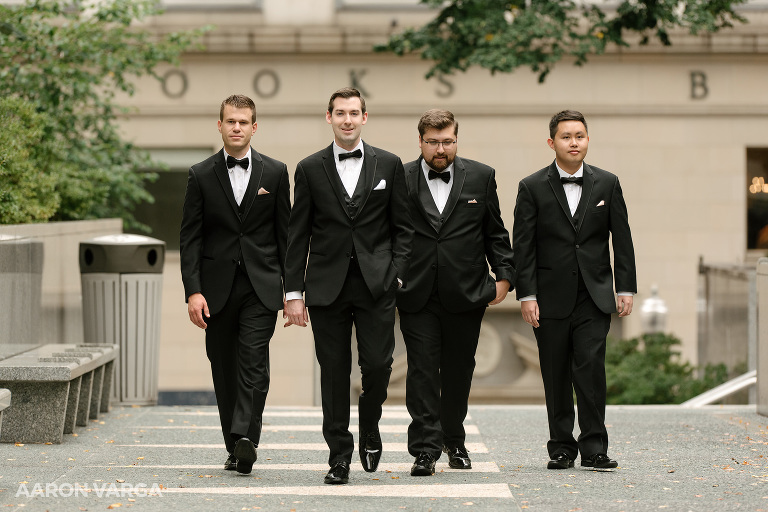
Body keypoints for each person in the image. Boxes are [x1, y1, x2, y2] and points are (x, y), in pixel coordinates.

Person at [283, 87, 413, 485]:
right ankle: (339, 454)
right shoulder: (308, 168)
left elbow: (403, 229)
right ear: (329, 118)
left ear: (364, 117)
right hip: (325, 286)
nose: (347, 120)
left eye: (354, 113)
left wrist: (396, 273)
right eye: (340, 113)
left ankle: (370, 422)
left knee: (378, 365)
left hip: (377, 285)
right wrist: (293, 293)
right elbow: (297, 234)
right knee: (334, 373)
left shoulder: (389, 165)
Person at [512, 110, 636, 470]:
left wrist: (625, 286)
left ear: (587, 139)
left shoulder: (608, 183)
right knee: (555, 373)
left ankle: (595, 447)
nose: (574, 142)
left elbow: (622, 238)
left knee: (591, 369)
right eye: (566, 137)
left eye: (579, 136)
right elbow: (524, 246)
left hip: (594, 295)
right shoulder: (531, 186)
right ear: (552, 143)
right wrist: (527, 294)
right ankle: (561, 447)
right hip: (548, 297)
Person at [397, 109, 515, 477]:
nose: (440, 149)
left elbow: (495, 232)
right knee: (421, 371)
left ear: (456, 140)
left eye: (447, 141)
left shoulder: (481, 176)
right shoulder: (399, 176)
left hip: (466, 291)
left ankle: (454, 439)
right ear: (420, 142)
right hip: (416, 292)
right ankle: (425, 448)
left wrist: (505, 276)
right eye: (432, 142)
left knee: (459, 371)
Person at [179, 94, 290, 475]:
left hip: (261, 286)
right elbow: (190, 238)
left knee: (254, 361)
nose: (237, 127)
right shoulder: (200, 174)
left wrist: (292, 291)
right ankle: (234, 445)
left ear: (254, 127)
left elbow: (284, 237)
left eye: (244, 122)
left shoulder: (275, 172)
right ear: (220, 125)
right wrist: (193, 291)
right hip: (216, 289)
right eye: (231, 121)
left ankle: (247, 436)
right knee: (224, 366)